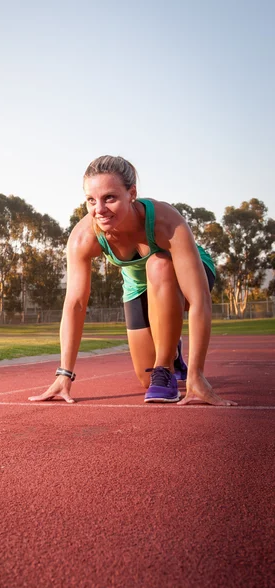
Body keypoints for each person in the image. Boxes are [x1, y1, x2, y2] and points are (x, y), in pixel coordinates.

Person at [29, 155, 237, 406]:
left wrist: (196, 375)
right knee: (145, 379)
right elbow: (75, 304)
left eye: (110, 198)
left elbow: (199, 299)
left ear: (132, 193)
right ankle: (172, 351)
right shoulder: (83, 238)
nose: (100, 209)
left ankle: (166, 363)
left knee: (158, 264)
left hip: (185, 275)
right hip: (138, 286)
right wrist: (64, 375)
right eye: (91, 200)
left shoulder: (165, 221)